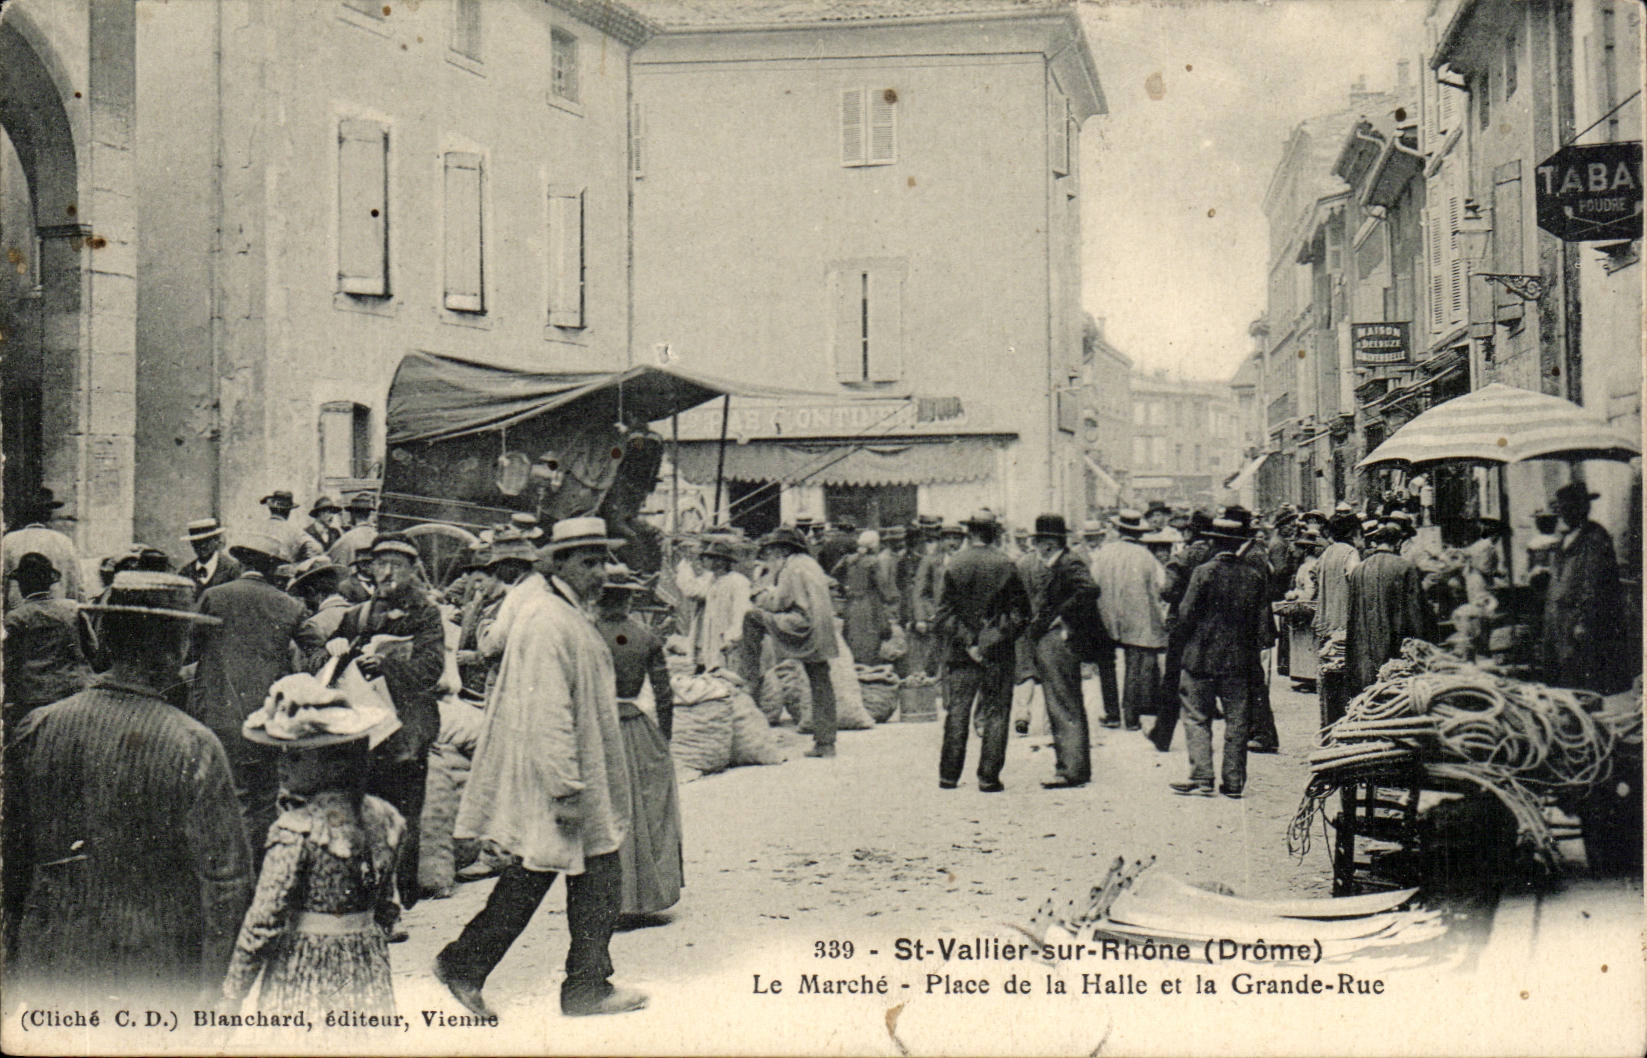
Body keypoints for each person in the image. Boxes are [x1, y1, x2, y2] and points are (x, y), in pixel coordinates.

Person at [3, 572, 253, 1006]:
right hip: (154, 965)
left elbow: (12, 856)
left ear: (104, 639)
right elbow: (226, 881)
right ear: (175, 648)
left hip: (52, 956)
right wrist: (216, 993)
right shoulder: (192, 744)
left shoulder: (38, 725)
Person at [440, 516, 646, 1020]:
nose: (600, 572)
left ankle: (584, 985)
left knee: (585, 875)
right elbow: (548, 713)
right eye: (587, 561)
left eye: (603, 560)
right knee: (543, 874)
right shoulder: (548, 621)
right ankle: (467, 964)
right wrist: (566, 788)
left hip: (578, 775)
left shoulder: (568, 613)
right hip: (561, 779)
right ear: (557, 564)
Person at [221, 678, 404, 1021]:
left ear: (331, 763)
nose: (281, 765)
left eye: (294, 756)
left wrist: (232, 996)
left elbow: (263, 921)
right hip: (366, 965)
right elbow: (387, 905)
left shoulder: (296, 830)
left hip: (307, 965)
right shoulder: (386, 819)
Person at [321, 533, 446, 917]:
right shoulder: (357, 615)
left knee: (404, 812)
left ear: (413, 570)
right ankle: (374, 897)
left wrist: (388, 666)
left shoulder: (425, 613)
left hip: (407, 730)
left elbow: (432, 668)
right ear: (370, 568)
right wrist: (335, 651)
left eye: (398, 564)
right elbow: (325, 660)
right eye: (381, 563)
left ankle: (401, 896)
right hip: (367, 731)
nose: (388, 571)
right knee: (368, 811)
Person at [189, 530, 307, 866]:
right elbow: (316, 650)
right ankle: (260, 871)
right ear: (274, 568)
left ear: (243, 562)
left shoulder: (214, 596)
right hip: (266, 720)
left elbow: (190, 649)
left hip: (216, 714)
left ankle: (226, 871)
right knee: (264, 798)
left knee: (222, 794)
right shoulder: (290, 605)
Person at [595, 566, 683, 917]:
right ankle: (647, 897)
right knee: (645, 813)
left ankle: (613, 902)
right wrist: (664, 739)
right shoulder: (645, 636)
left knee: (609, 814)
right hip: (638, 729)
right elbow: (664, 694)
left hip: (601, 729)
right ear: (629, 598)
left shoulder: (587, 635)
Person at [1169, 517, 1272, 799]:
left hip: (1200, 658)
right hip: (1239, 661)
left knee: (1196, 717)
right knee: (1237, 720)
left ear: (1214, 542)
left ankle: (1202, 778)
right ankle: (1234, 781)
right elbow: (1264, 629)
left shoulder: (1202, 572)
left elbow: (1185, 615)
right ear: (1240, 544)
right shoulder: (1254, 576)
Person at [932, 510, 1028, 791]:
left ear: (969, 533)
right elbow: (1021, 614)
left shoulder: (955, 564)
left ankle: (948, 775)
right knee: (997, 712)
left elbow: (942, 615)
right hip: (997, 652)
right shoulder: (1007, 564)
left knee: (958, 711)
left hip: (961, 653)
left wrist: (969, 642)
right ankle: (988, 777)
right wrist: (990, 641)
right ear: (994, 534)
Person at [744, 525, 840, 759]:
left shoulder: (791, 569)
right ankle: (826, 742)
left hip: (803, 626)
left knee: (752, 618)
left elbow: (779, 602)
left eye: (770, 553)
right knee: (820, 679)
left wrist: (759, 594)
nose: (769, 558)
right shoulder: (810, 564)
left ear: (781, 552)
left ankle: (749, 675)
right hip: (821, 628)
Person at [1027, 514, 1105, 789]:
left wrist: (1063, 615)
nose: (1036, 546)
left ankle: (1070, 769)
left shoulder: (1068, 562)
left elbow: (1090, 589)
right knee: (1064, 702)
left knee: (1063, 703)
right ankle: (1072, 766)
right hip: (1058, 639)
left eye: (1039, 541)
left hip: (1059, 640)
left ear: (1048, 543)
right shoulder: (1062, 562)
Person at [1542, 483, 1630, 693]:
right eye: (1561, 508)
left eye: (1568, 507)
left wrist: (1583, 620)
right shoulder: (1565, 538)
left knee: (1583, 680)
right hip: (1559, 621)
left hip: (1579, 622)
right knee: (1563, 680)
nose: (1563, 513)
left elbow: (1593, 583)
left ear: (1582, 508)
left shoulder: (1594, 537)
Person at [1091, 509, 1166, 731]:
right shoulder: (1145, 556)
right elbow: (1161, 585)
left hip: (1106, 616)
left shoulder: (1103, 553)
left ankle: (1112, 714)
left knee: (1107, 665)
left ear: (1119, 529)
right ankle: (1131, 718)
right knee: (1134, 667)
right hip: (1137, 617)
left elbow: (1092, 582)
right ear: (1138, 533)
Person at [1150, 510, 1215, 752]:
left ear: (1190, 532)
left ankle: (1163, 734)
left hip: (1183, 624)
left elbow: (1167, 591)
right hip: (1212, 624)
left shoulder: (1184, 558)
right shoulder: (1217, 554)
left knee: (1173, 680)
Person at [3, 553, 92, 728]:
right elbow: (92, 649)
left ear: (22, 585)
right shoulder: (72, 609)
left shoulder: (15, 618)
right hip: (73, 694)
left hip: (32, 699)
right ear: (50, 582)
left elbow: (10, 665)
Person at [1343, 520, 1432, 697]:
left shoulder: (1359, 570)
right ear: (1398, 543)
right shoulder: (1405, 567)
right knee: (1394, 689)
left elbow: (1351, 613)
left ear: (1375, 543)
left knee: (1368, 692)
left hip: (1364, 646)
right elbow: (1415, 611)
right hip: (1395, 643)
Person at [3, 487, 85, 605]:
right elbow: (76, 584)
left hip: (18, 610)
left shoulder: (9, 541)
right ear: (48, 514)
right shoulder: (63, 541)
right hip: (56, 610)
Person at [832, 529, 898, 666]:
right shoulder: (873, 562)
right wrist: (890, 599)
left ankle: (855, 662)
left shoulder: (848, 559)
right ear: (874, 545)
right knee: (870, 633)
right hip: (869, 601)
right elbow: (882, 584)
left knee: (852, 632)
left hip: (851, 601)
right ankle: (868, 663)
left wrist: (843, 587)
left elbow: (834, 572)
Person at [691, 538, 752, 677]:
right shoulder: (712, 581)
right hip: (713, 643)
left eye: (710, 558)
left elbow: (742, 613)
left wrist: (731, 638)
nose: (705, 561)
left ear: (721, 561)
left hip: (729, 645)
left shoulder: (738, 582)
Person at [179, 518, 243, 596]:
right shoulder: (186, 572)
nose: (202, 545)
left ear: (216, 540)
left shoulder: (231, 569)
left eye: (207, 540)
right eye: (197, 542)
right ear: (192, 544)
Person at [260, 490, 325, 565]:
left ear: (270, 509)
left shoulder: (257, 527)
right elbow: (317, 548)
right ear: (288, 511)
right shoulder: (294, 531)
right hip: (281, 573)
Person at [328, 493, 380, 568]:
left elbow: (330, 561)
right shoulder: (377, 537)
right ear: (368, 514)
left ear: (353, 514)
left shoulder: (347, 539)